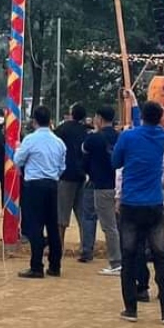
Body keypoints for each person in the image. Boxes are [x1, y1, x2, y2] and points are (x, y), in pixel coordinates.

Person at [112, 90, 164, 323]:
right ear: (160, 119)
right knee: (161, 256)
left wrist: (125, 133)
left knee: (129, 257)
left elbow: (116, 162)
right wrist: (134, 104)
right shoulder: (161, 136)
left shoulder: (129, 138)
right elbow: (146, 123)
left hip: (130, 204)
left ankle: (131, 308)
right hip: (153, 205)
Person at [14, 105, 66, 279]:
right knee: (52, 225)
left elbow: (18, 160)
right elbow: (61, 167)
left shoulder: (30, 140)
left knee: (34, 226)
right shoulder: (58, 142)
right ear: (50, 120)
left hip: (34, 186)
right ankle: (55, 265)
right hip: (52, 185)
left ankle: (36, 266)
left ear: (34, 121)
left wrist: (17, 149)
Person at [55, 103, 98, 263]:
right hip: (83, 176)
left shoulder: (62, 129)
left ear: (71, 113)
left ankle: (58, 248)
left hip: (66, 176)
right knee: (84, 216)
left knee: (61, 216)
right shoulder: (87, 131)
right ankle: (86, 249)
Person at [84, 104, 122, 275]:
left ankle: (116, 262)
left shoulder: (94, 138)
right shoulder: (120, 136)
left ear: (99, 118)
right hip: (120, 186)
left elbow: (83, 150)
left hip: (102, 186)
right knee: (120, 225)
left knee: (109, 226)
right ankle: (125, 258)